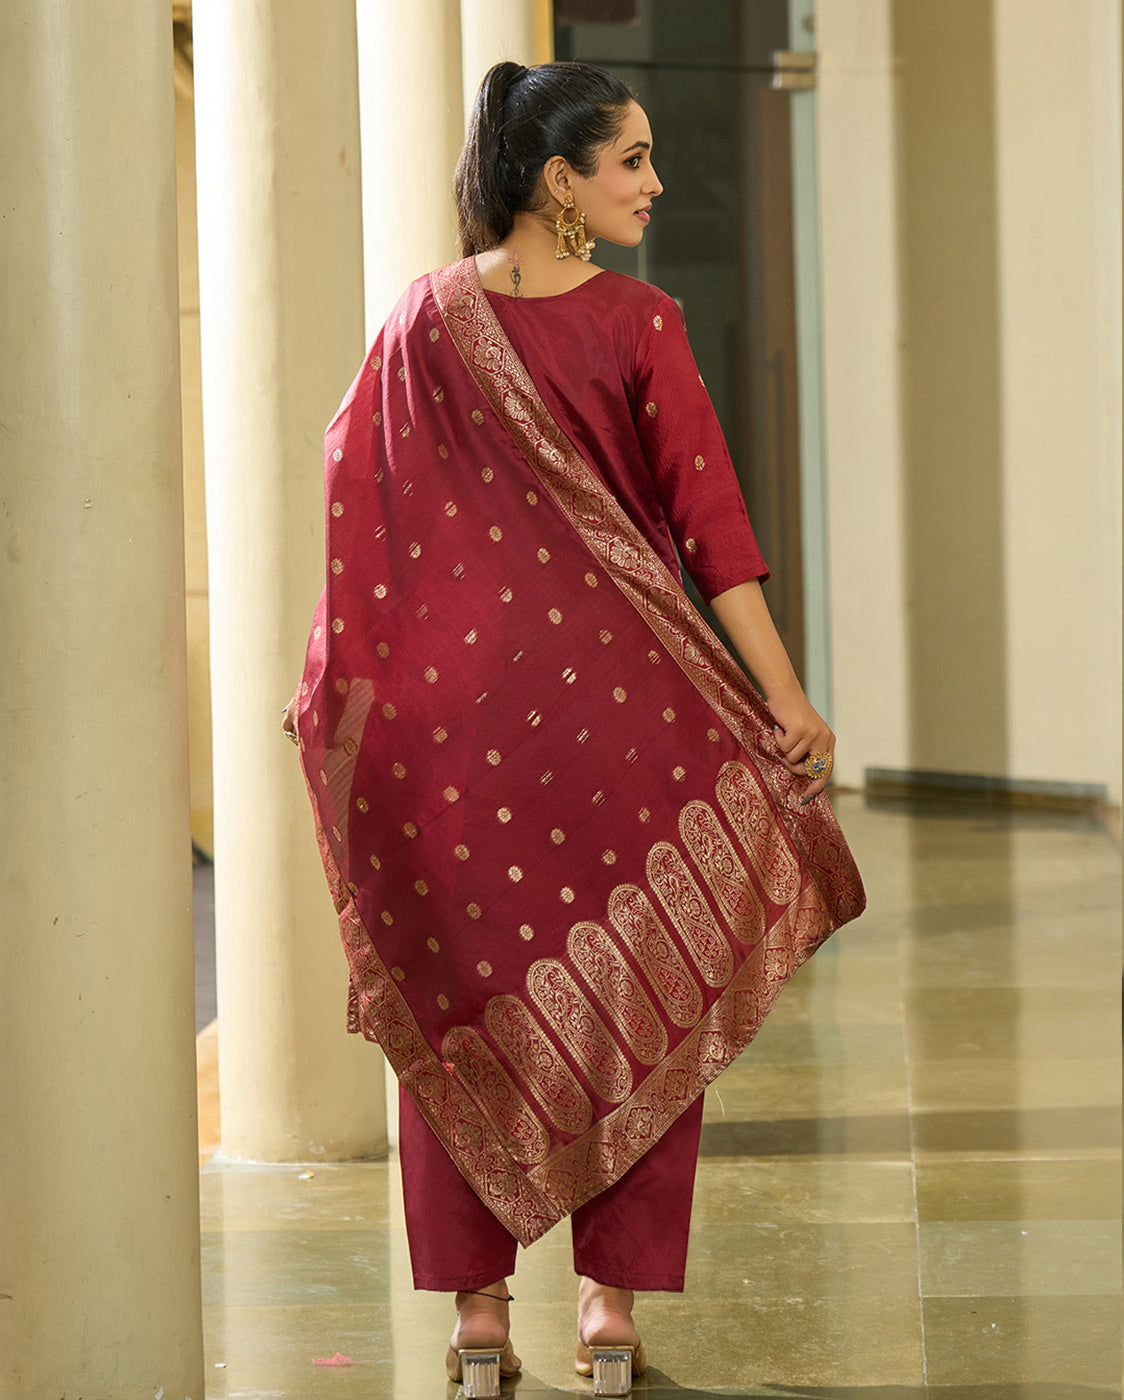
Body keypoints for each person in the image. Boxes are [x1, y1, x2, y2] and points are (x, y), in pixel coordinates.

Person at [285, 60, 864, 1398]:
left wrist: (347, 703)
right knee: (639, 1000)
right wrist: (781, 696)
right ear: (562, 181)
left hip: (448, 736)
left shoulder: (418, 324)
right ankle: (607, 1305)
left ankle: (479, 1317)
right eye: (633, 161)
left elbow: (353, 507)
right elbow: (712, 529)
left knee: (464, 1004)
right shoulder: (638, 326)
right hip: (623, 728)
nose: (656, 183)